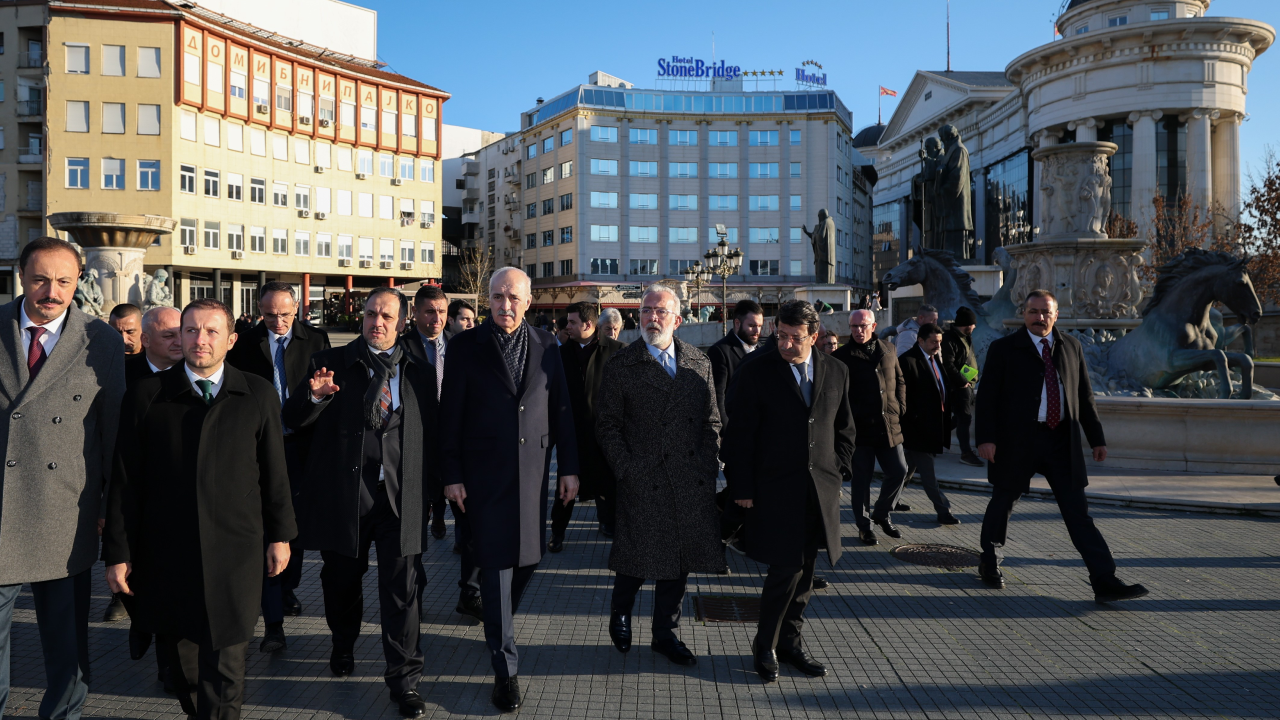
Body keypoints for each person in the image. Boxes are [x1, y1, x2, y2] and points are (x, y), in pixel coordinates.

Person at [104, 298, 295, 720]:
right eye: (190, 330)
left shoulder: (257, 392)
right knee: (181, 667)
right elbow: (125, 481)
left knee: (227, 665)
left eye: (211, 331)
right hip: (168, 552)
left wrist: (280, 535)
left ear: (231, 339)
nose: (199, 339)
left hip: (236, 550)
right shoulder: (147, 395)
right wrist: (118, 552)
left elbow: (274, 472)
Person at [281, 288, 435, 718]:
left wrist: (434, 491)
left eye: (387, 315)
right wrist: (315, 398)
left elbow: (430, 435)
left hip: (400, 501)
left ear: (403, 322)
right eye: (370, 314)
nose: (377, 322)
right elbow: (292, 420)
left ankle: (404, 680)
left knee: (402, 593)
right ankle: (343, 642)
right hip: (347, 499)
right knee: (342, 583)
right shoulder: (328, 363)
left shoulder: (418, 370)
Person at [438, 267, 579, 713]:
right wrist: (452, 474)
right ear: (487, 299)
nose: (505, 305)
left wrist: (570, 469)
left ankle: (499, 625)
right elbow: (450, 418)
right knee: (496, 562)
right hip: (482, 475)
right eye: (497, 296)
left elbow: (562, 409)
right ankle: (506, 670)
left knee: (528, 558)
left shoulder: (547, 346)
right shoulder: (465, 347)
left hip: (534, 473)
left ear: (529, 300)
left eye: (513, 297)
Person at [0, 237, 124, 720]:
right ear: (21, 277)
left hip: (64, 512)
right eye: (40, 279)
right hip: (1, 507)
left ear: (78, 282)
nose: (51, 291)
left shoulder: (102, 339)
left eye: (64, 281)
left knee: (66, 645)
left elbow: (111, 432)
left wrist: (109, 511)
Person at [975, 290, 1147, 603]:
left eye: (1045, 312)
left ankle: (1104, 580)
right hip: (1016, 442)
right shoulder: (1004, 349)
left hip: (1060, 443)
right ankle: (989, 559)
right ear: (1023, 314)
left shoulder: (1072, 347)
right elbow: (986, 397)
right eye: (1033, 312)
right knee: (1002, 503)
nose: (1039, 318)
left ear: (1056, 315)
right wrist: (985, 438)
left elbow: (1085, 396)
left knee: (1078, 513)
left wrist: (1096, 438)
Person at [722, 300, 855, 683]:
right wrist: (742, 487)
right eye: (779, 335)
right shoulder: (756, 371)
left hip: (821, 492)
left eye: (794, 338)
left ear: (814, 337)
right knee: (786, 569)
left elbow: (845, 427)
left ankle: (790, 645)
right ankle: (765, 646)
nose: (784, 344)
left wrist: (838, 469)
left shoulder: (837, 370)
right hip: (775, 490)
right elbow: (738, 435)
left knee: (807, 571)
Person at [596, 285, 723, 667]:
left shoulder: (698, 362)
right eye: (647, 310)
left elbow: (711, 420)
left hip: (687, 479)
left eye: (661, 311)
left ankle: (664, 634)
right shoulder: (622, 364)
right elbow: (606, 426)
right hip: (643, 477)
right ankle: (620, 612)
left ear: (677, 319)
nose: (652, 317)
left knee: (677, 565)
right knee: (636, 556)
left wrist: (706, 462)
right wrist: (627, 469)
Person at [225, 281, 331, 651]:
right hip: (257, 449)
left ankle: (287, 588)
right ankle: (273, 621)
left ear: (297, 308)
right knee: (269, 528)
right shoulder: (243, 342)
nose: (278, 321)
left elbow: (326, 396)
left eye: (285, 314)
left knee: (294, 526)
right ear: (259, 309)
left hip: (302, 447)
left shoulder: (316, 340)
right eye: (270, 315)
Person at [403, 286, 480, 623]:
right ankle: (413, 593)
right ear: (415, 313)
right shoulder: (400, 348)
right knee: (410, 529)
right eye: (429, 312)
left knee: (473, 524)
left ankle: (471, 592)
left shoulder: (465, 345)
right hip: (413, 453)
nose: (437, 319)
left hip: (458, 452)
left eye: (441, 312)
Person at [118, 306, 184, 683]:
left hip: (175, 500)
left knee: (167, 581)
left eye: (182, 332)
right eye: (169, 335)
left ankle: (167, 665)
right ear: (145, 341)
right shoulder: (123, 378)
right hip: (132, 492)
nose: (180, 341)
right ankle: (140, 619)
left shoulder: (198, 375)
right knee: (132, 575)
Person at [550, 301, 625, 549]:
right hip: (571, 435)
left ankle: (614, 530)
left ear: (588, 324)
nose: (566, 326)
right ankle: (557, 534)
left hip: (606, 436)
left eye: (571, 322)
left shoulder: (618, 352)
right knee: (566, 486)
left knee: (611, 487)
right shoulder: (558, 355)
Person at [832, 309, 908, 545]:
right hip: (859, 430)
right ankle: (864, 527)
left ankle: (882, 513)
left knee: (900, 470)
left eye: (863, 326)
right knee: (860, 482)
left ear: (873, 326)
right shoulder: (841, 356)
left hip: (889, 426)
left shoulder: (889, 349)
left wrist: (900, 407)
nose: (858, 331)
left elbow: (900, 380)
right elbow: (837, 395)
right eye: (854, 327)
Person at [706, 300, 764, 555]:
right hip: (735, 441)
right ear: (737, 323)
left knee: (743, 495)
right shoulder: (721, 351)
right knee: (740, 497)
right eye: (752, 325)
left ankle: (740, 537)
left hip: (759, 442)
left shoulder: (761, 351)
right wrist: (726, 439)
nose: (756, 331)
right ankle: (715, 544)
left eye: (760, 326)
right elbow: (717, 399)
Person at [898, 323, 960, 525]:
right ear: (921, 340)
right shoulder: (907, 361)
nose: (937, 346)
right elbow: (902, 397)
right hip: (917, 430)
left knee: (906, 470)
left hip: (934, 427)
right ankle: (943, 510)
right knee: (928, 474)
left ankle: (891, 501)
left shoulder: (935, 359)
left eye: (940, 342)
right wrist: (913, 421)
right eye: (934, 342)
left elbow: (940, 389)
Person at [942, 307, 983, 467]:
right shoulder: (950, 339)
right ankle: (966, 453)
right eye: (973, 324)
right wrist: (961, 381)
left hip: (967, 384)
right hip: (959, 386)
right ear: (967, 324)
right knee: (964, 418)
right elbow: (948, 364)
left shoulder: (965, 337)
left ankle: (933, 439)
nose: (974, 327)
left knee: (957, 418)